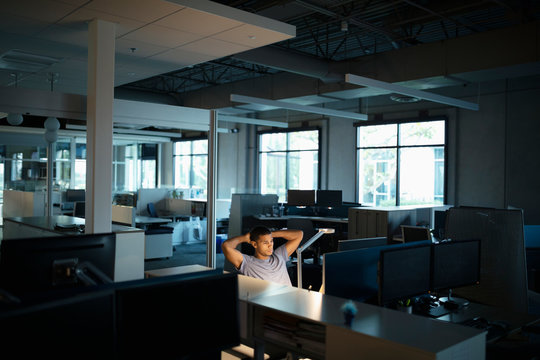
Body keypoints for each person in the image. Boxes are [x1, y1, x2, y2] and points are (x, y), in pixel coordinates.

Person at [221, 226, 303, 286]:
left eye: (271, 241)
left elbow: (299, 235)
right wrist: (245, 238)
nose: (270, 245)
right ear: (254, 244)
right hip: (269, 304)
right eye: (265, 242)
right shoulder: (247, 262)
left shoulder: (279, 255)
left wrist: (271, 234)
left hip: (289, 299)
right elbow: (226, 246)